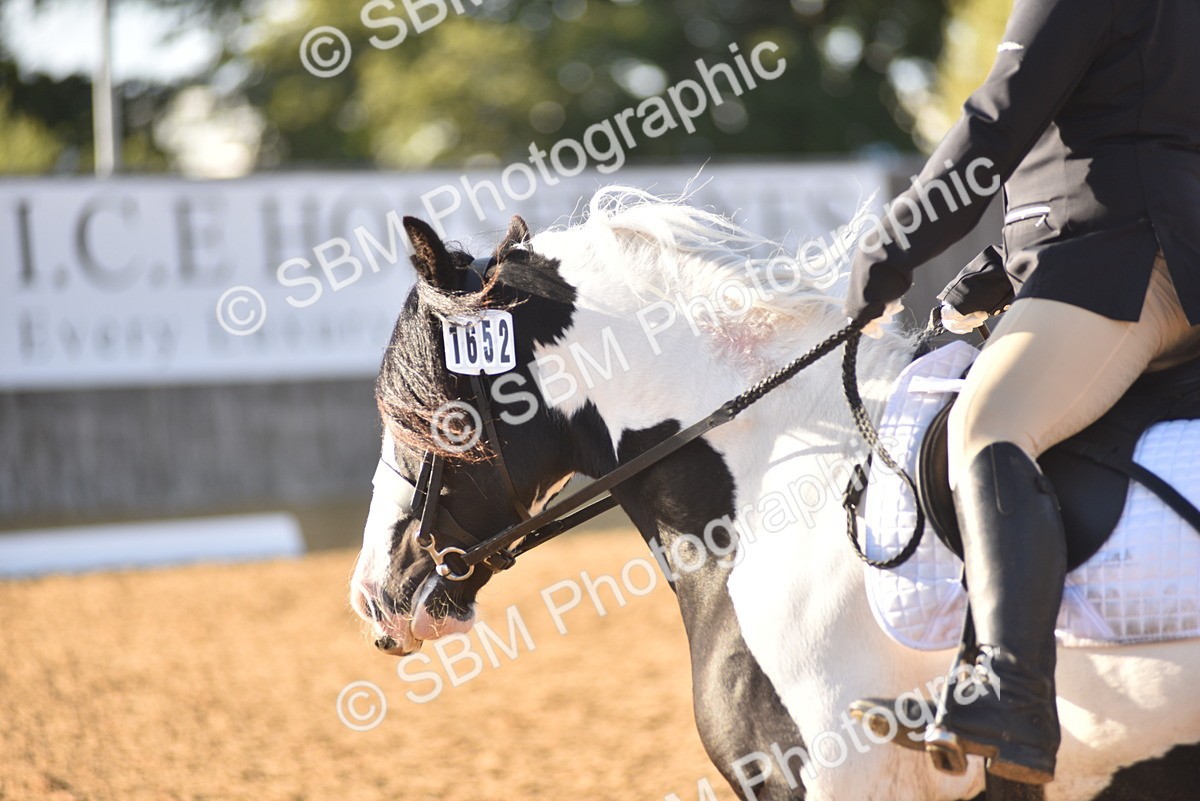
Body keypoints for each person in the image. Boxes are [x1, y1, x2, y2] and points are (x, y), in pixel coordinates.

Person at [844, 0, 1200, 786]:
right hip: (1152, 253)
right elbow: (1116, 132)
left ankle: (1012, 693)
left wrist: (884, 256)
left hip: (1119, 261)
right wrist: (1004, 267)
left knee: (988, 424)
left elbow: (994, 129)